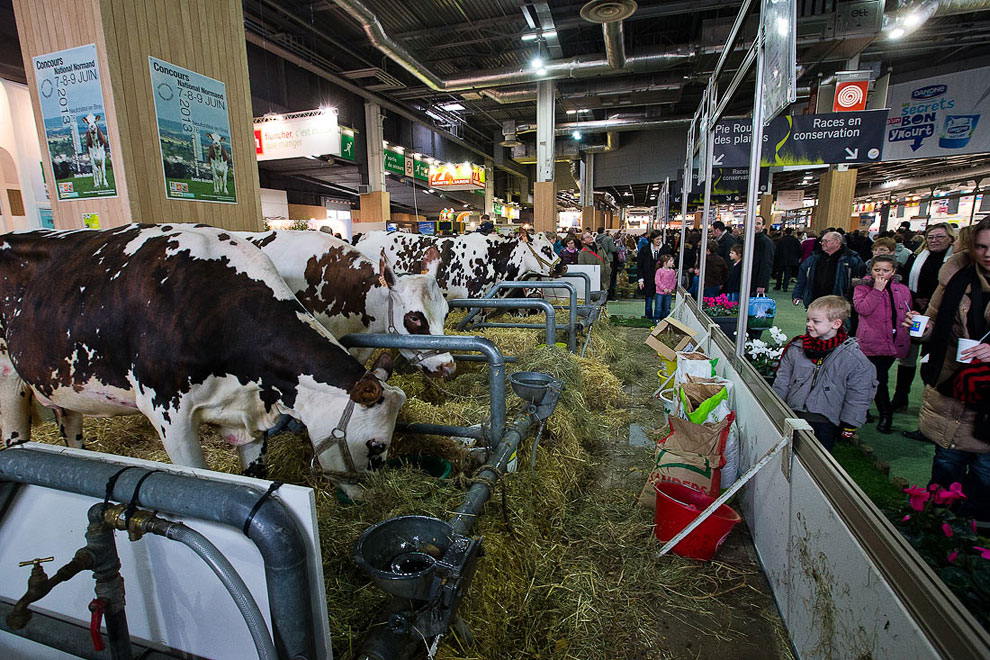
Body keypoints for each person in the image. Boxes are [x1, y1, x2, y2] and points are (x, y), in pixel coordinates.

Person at [909, 217, 990, 524]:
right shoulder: (955, 277)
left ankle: (976, 535)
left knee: (984, 475)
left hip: (985, 405)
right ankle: (935, 527)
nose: (987, 254)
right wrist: (922, 330)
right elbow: (932, 323)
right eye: (981, 247)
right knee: (946, 463)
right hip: (951, 390)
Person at [772, 295, 878, 452]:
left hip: (826, 421)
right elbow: (782, 380)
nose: (809, 325)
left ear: (836, 324)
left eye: (816, 321)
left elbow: (859, 393)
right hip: (793, 413)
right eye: (808, 320)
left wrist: (850, 423)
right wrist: (774, 407)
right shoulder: (796, 348)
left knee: (818, 459)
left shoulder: (854, 358)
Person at [893, 223, 956, 416]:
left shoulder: (953, 262)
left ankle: (930, 405)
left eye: (939, 237)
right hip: (915, 312)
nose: (934, 241)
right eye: (931, 237)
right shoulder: (917, 257)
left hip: (939, 317)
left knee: (932, 361)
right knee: (907, 358)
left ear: (950, 239)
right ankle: (900, 397)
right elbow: (905, 279)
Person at [853, 255, 913, 434]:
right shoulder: (862, 288)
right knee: (875, 379)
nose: (881, 274)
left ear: (893, 272)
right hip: (870, 341)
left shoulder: (902, 290)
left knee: (879, 378)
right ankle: (885, 415)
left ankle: (878, 413)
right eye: (877, 270)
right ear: (871, 270)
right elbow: (863, 309)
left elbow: (906, 311)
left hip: (893, 342)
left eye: (886, 270)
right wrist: (877, 291)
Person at [792, 231, 866, 308]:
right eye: (822, 241)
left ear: (837, 242)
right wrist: (797, 294)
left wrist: (850, 299)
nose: (822, 243)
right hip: (815, 301)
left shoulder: (852, 259)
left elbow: (859, 281)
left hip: (839, 304)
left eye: (826, 241)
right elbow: (802, 277)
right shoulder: (814, 258)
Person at [637, 231, 665, 320]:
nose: (659, 241)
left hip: (662, 280)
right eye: (657, 239)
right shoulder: (644, 250)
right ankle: (648, 318)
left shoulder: (665, 249)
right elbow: (640, 265)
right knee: (648, 299)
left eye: (660, 239)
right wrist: (640, 279)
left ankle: (659, 318)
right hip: (648, 278)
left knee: (660, 299)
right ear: (652, 239)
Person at [751, 216, 775, 296]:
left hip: (756, 281)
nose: (755, 225)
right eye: (754, 223)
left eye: (758, 223)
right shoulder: (748, 239)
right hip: (748, 279)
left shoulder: (766, 242)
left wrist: (762, 284)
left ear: (763, 226)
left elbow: (766, 264)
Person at [596, 226, 618, 300]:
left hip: (600, 259)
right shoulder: (608, 239)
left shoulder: (596, 239)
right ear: (604, 231)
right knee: (610, 278)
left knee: (603, 277)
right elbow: (612, 249)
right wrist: (617, 247)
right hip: (609, 259)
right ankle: (610, 294)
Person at [653, 254, 677, 322]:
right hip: (660, 293)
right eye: (671, 261)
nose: (672, 262)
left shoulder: (672, 272)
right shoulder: (659, 271)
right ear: (665, 263)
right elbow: (657, 281)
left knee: (667, 307)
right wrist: (664, 288)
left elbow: (673, 281)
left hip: (668, 293)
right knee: (658, 307)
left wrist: (671, 289)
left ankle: (665, 319)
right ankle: (657, 319)